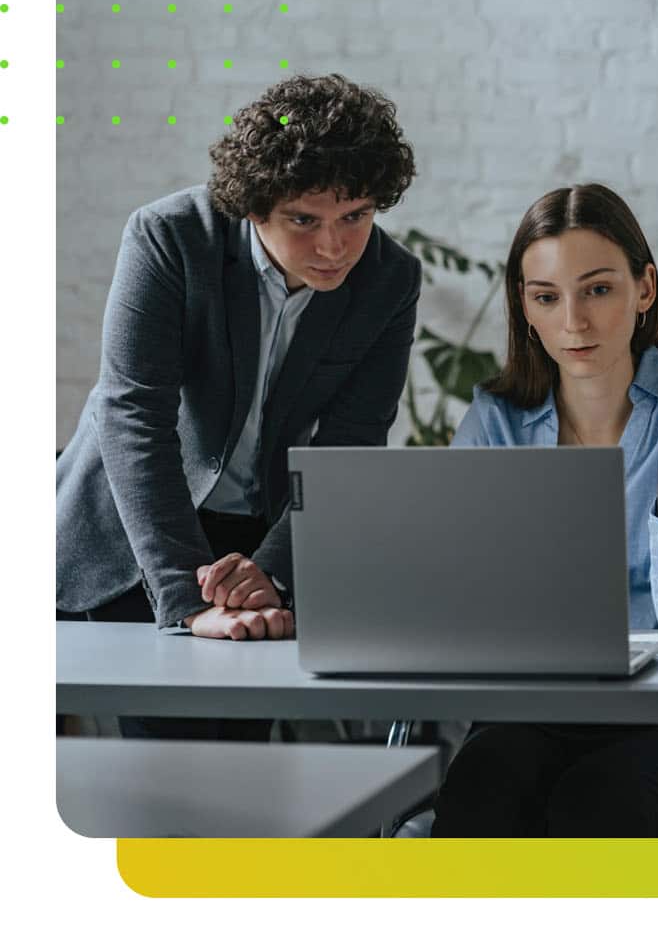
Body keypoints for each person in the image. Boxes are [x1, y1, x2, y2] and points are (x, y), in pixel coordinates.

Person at [56, 74, 422, 734]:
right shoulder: (169, 238)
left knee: (245, 768)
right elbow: (132, 414)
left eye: (355, 217)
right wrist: (182, 596)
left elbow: (351, 441)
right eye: (303, 221)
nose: (334, 246)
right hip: (134, 536)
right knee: (164, 767)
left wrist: (271, 574)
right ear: (254, 206)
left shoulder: (389, 280)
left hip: (258, 541)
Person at [430, 182, 658, 836]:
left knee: (596, 807)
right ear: (525, 307)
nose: (573, 321)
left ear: (644, 288)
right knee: (478, 796)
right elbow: (457, 593)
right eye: (546, 297)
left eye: (598, 289)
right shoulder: (498, 419)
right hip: (531, 703)